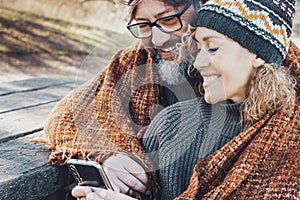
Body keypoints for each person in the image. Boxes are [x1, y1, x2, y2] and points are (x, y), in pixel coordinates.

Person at [71, 0, 299, 199]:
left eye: (169, 19)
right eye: (143, 25)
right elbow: (76, 112)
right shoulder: (168, 120)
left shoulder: (285, 126)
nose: (157, 39)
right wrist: (112, 153)